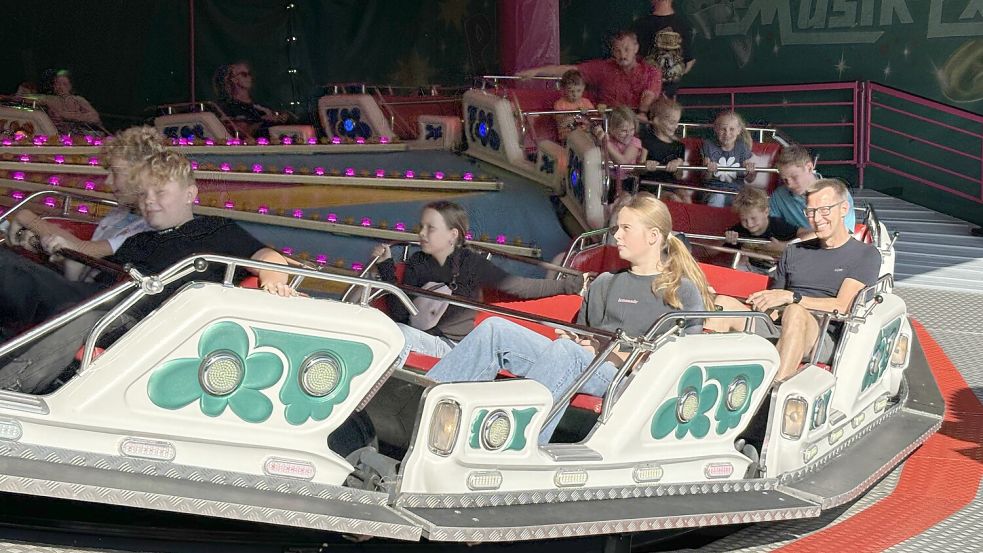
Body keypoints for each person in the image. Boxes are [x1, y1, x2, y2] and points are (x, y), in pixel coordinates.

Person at [426, 192, 715, 443]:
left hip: (630, 379)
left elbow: (682, 364)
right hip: (590, 363)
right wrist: (578, 339)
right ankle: (425, 416)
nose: (617, 235)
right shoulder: (604, 283)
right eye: (617, 228)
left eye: (626, 228)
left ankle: (514, 441)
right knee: (495, 329)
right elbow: (586, 336)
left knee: (568, 353)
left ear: (653, 236)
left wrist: (606, 352)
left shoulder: (682, 291)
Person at [0, 150, 295, 393]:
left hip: (136, 317)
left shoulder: (214, 230)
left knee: (85, 318)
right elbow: (91, 275)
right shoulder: (139, 239)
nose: (149, 200)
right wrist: (51, 251)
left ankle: (8, 389)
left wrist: (272, 284)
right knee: (11, 268)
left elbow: (266, 256)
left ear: (190, 193)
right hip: (99, 299)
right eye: (143, 194)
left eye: (160, 192)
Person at [708, 179, 880, 382]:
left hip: (822, 334)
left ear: (844, 209)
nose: (817, 218)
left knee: (795, 312)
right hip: (782, 324)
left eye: (824, 210)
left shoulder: (865, 254)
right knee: (722, 304)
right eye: (811, 212)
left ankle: (773, 391)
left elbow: (842, 306)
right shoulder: (794, 251)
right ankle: (702, 382)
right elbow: (776, 305)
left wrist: (793, 298)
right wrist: (761, 302)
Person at [372, 201, 584, 362]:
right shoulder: (417, 262)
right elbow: (401, 313)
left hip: (451, 346)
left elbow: (520, 287)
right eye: (422, 227)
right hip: (417, 334)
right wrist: (386, 266)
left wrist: (570, 284)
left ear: (452, 235)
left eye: (431, 228)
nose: (421, 233)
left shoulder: (472, 263)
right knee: (387, 332)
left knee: (396, 336)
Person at [4, 126, 166, 282]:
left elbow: (85, 250)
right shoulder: (121, 213)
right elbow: (80, 249)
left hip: (89, 297)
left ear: (140, 176)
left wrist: (28, 219)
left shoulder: (149, 226)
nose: (108, 181)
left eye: (116, 173)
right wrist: (41, 242)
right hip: (76, 282)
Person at [516, 31, 661, 121]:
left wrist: (641, 114)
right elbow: (570, 70)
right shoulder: (604, 68)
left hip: (636, 124)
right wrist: (536, 72)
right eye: (617, 51)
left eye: (626, 49)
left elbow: (648, 96)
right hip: (606, 123)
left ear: (636, 48)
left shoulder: (651, 72)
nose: (622, 55)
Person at [771, 144, 857, 234]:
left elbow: (842, 233)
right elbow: (769, 225)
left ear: (809, 168)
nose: (789, 184)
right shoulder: (779, 196)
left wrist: (790, 243)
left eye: (794, 177)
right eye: (784, 179)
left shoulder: (837, 192)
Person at [723, 187, 803, 274]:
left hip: (776, 270)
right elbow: (711, 251)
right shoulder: (738, 230)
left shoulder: (778, 225)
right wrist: (727, 238)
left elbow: (808, 235)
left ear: (766, 212)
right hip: (751, 269)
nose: (749, 224)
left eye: (753, 218)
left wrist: (784, 246)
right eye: (744, 220)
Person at [632, 0, 696, 97]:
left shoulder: (685, 24)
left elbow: (690, 59)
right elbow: (634, 58)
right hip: (644, 91)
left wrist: (674, 77)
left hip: (673, 93)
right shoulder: (640, 25)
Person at [213, 62, 290, 139]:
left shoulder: (260, 104)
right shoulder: (227, 107)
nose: (250, 78)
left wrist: (282, 118)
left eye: (249, 74)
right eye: (244, 74)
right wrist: (263, 121)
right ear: (233, 79)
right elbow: (238, 133)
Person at [701, 110, 756, 207]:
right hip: (713, 190)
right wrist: (709, 170)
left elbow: (750, 179)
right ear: (716, 129)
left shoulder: (742, 147)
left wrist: (751, 172)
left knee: (744, 203)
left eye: (732, 129)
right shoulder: (708, 145)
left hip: (736, 192)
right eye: (723, 129)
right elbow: (705, 178)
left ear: (738, 130)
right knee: (718, 197)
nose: (727, 133)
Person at [639, 97, 686, 198]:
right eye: (672, 122)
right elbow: (638, 170)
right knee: (673, 198)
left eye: (677, 122)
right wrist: (646, 165)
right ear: (657, 121)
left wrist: (678, 165)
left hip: (671, 185)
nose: (676, 126)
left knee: (686, 196)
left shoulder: (679, 145)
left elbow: (679, 175)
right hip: (650, 187)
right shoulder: (647, 141)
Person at [594, 105, 646, 196]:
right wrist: (599, 137)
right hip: (606, 179)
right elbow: (599, 156)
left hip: (627, 181)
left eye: (632, 129)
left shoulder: (635, 142)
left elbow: (623, 162)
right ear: (612, 129)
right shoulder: (609, 139)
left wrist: (606, 143)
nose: (629, 134)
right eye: (624, 131)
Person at [35, 69, 103, 135]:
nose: (60, 87)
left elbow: (95, 117)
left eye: (64, 84)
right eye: (57, 84)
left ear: (71, 86)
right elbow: (35, 98)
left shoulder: (78, 100)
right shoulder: (50, 99)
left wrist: (66, 115)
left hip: (78, 136)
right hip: (56, 135)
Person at [553, 70, 595, 142]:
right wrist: (572, 117)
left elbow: (594, 118)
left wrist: (588, 113)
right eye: (571, 91)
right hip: (568, 136)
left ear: (583, 88)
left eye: (578, 91)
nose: (575, 94)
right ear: (564, 89)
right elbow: (561, 122)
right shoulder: (559, 104)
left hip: (586, 133)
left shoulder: (586, 102)